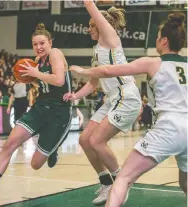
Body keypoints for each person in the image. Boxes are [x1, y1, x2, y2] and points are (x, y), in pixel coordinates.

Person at [70, 12, 187, 207]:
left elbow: (107, 71)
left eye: (157, 37)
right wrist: (76, 94)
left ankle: (116, 182)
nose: (156, 40)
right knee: (185, 184)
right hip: (184, 125)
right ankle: (107, 182)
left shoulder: (151, 61)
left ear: (164, 41)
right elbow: (98, 78)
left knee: (122, 177)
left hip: (161, 120)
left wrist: (82, 71)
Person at [0, 23, 72, 206]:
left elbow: (59, 79)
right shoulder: (37, 61)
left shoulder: (56, 54)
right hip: (41, 106)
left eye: (42, 43)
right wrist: (29, 78)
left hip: (59, 112)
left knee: (36, 164)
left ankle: (52, 149)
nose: (38, 47)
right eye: (35, 44)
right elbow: (42, 84)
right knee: (9, 144)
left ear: (50, 42)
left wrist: (36, 73)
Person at [64, 0, 141, 205]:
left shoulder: (110, 37)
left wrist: (89, 3)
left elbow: (91, 8)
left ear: (100, 25)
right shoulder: (98, 49)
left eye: (91, 25)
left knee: (97, 141)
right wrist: (76, 95)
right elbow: (94, 82)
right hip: (112, 99)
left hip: (126, 96)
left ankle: (121, 183)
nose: (88, 29)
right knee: (85, 140)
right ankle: (106, 183)